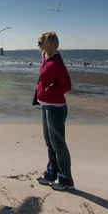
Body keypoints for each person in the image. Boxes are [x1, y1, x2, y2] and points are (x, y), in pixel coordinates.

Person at [35, 31, 75, 191]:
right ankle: (52, 173)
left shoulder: (57, 62)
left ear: (48, 44)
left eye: (39, 43)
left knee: (58, 144)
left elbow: (66, 86)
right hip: (46, 106)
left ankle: (66, 179)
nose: (37, 46)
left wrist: (50, 91)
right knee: (49, 143)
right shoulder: (47, 58)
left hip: (55, 108)